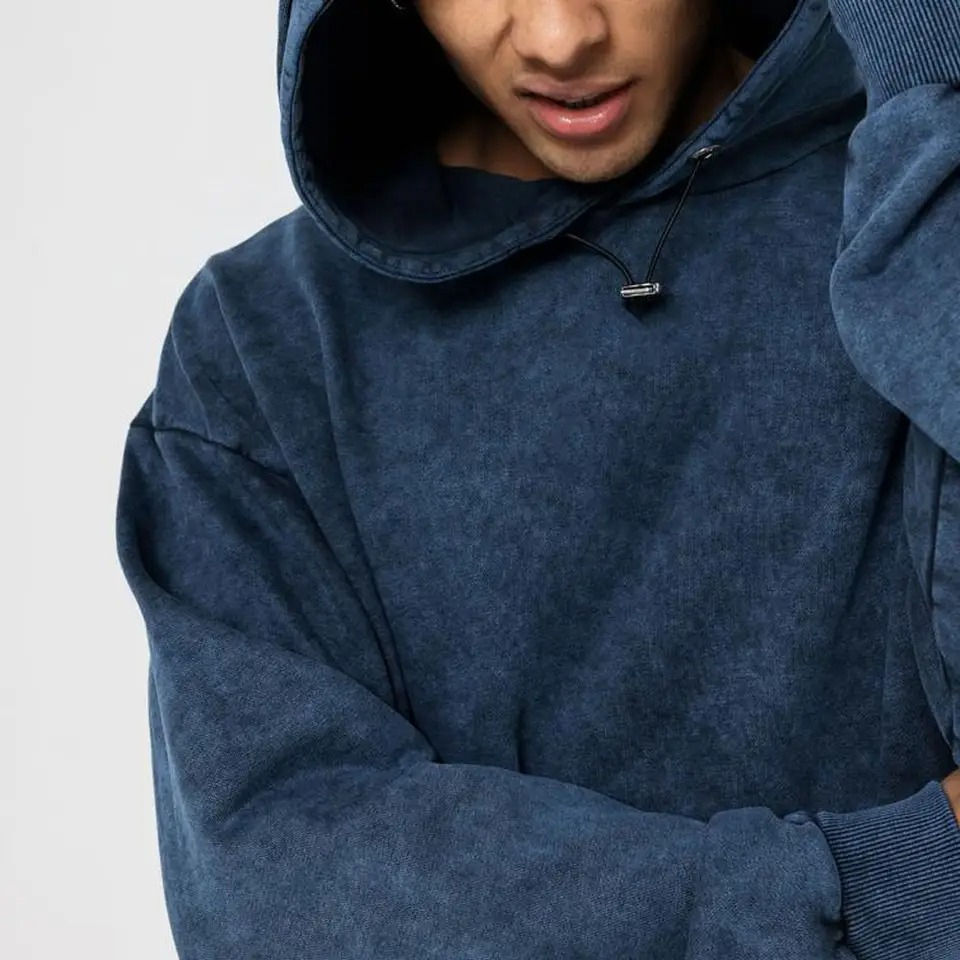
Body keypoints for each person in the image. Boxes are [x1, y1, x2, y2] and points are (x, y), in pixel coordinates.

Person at [114, 0, 960, 957]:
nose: (562, 38)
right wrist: (869, 885)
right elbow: (282, 891)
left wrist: (932, 97)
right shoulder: (263, 342)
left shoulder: (914, 198)